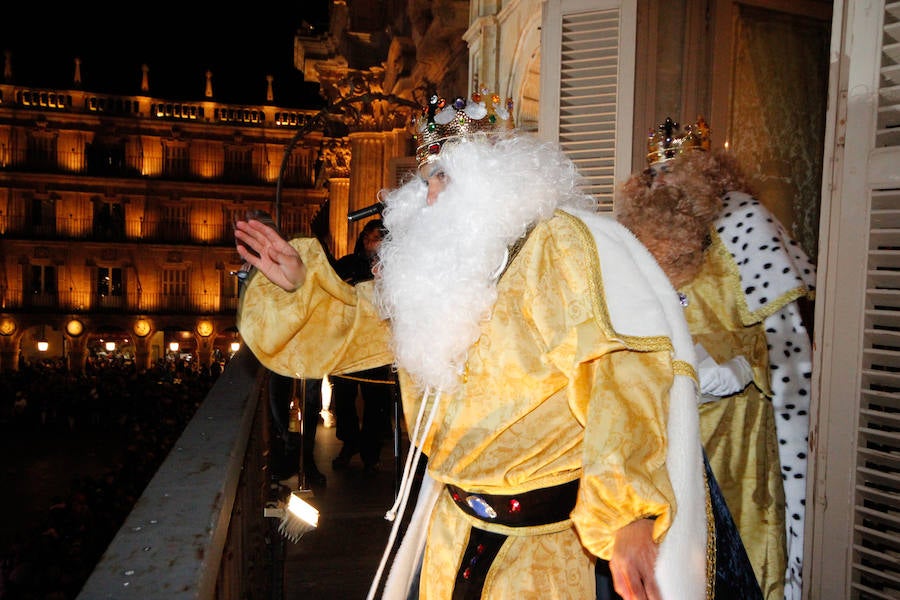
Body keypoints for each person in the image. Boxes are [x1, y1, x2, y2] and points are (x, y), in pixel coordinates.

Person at [235, 91, 714, 599]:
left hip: (540, 554)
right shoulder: (440, 267)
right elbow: (357, 325)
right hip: (452, 533)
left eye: (444, 176)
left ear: (494, 173)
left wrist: (628, 512)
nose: (431, 197)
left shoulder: (557, 247)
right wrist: (300, 286)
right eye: (425, 181)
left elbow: (620, 376)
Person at [615, 117, 816, 600]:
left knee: (731, 560)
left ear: (703, 173)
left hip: (731, 434)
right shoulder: (634, 236)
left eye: (672, 170)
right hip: (660, 428)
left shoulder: (744, 223)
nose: (660, 183)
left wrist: (740, 366)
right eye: (654, 173)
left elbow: (787, 346)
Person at [329, 219, 398, 473]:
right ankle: (349, 443)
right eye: (367, 239)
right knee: (344, 397)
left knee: (376, 402)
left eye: (376, 239)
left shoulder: (394, 268)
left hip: (377, 345)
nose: (370, 244)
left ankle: (371, 452)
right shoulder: (347, 264)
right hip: (348, 341)